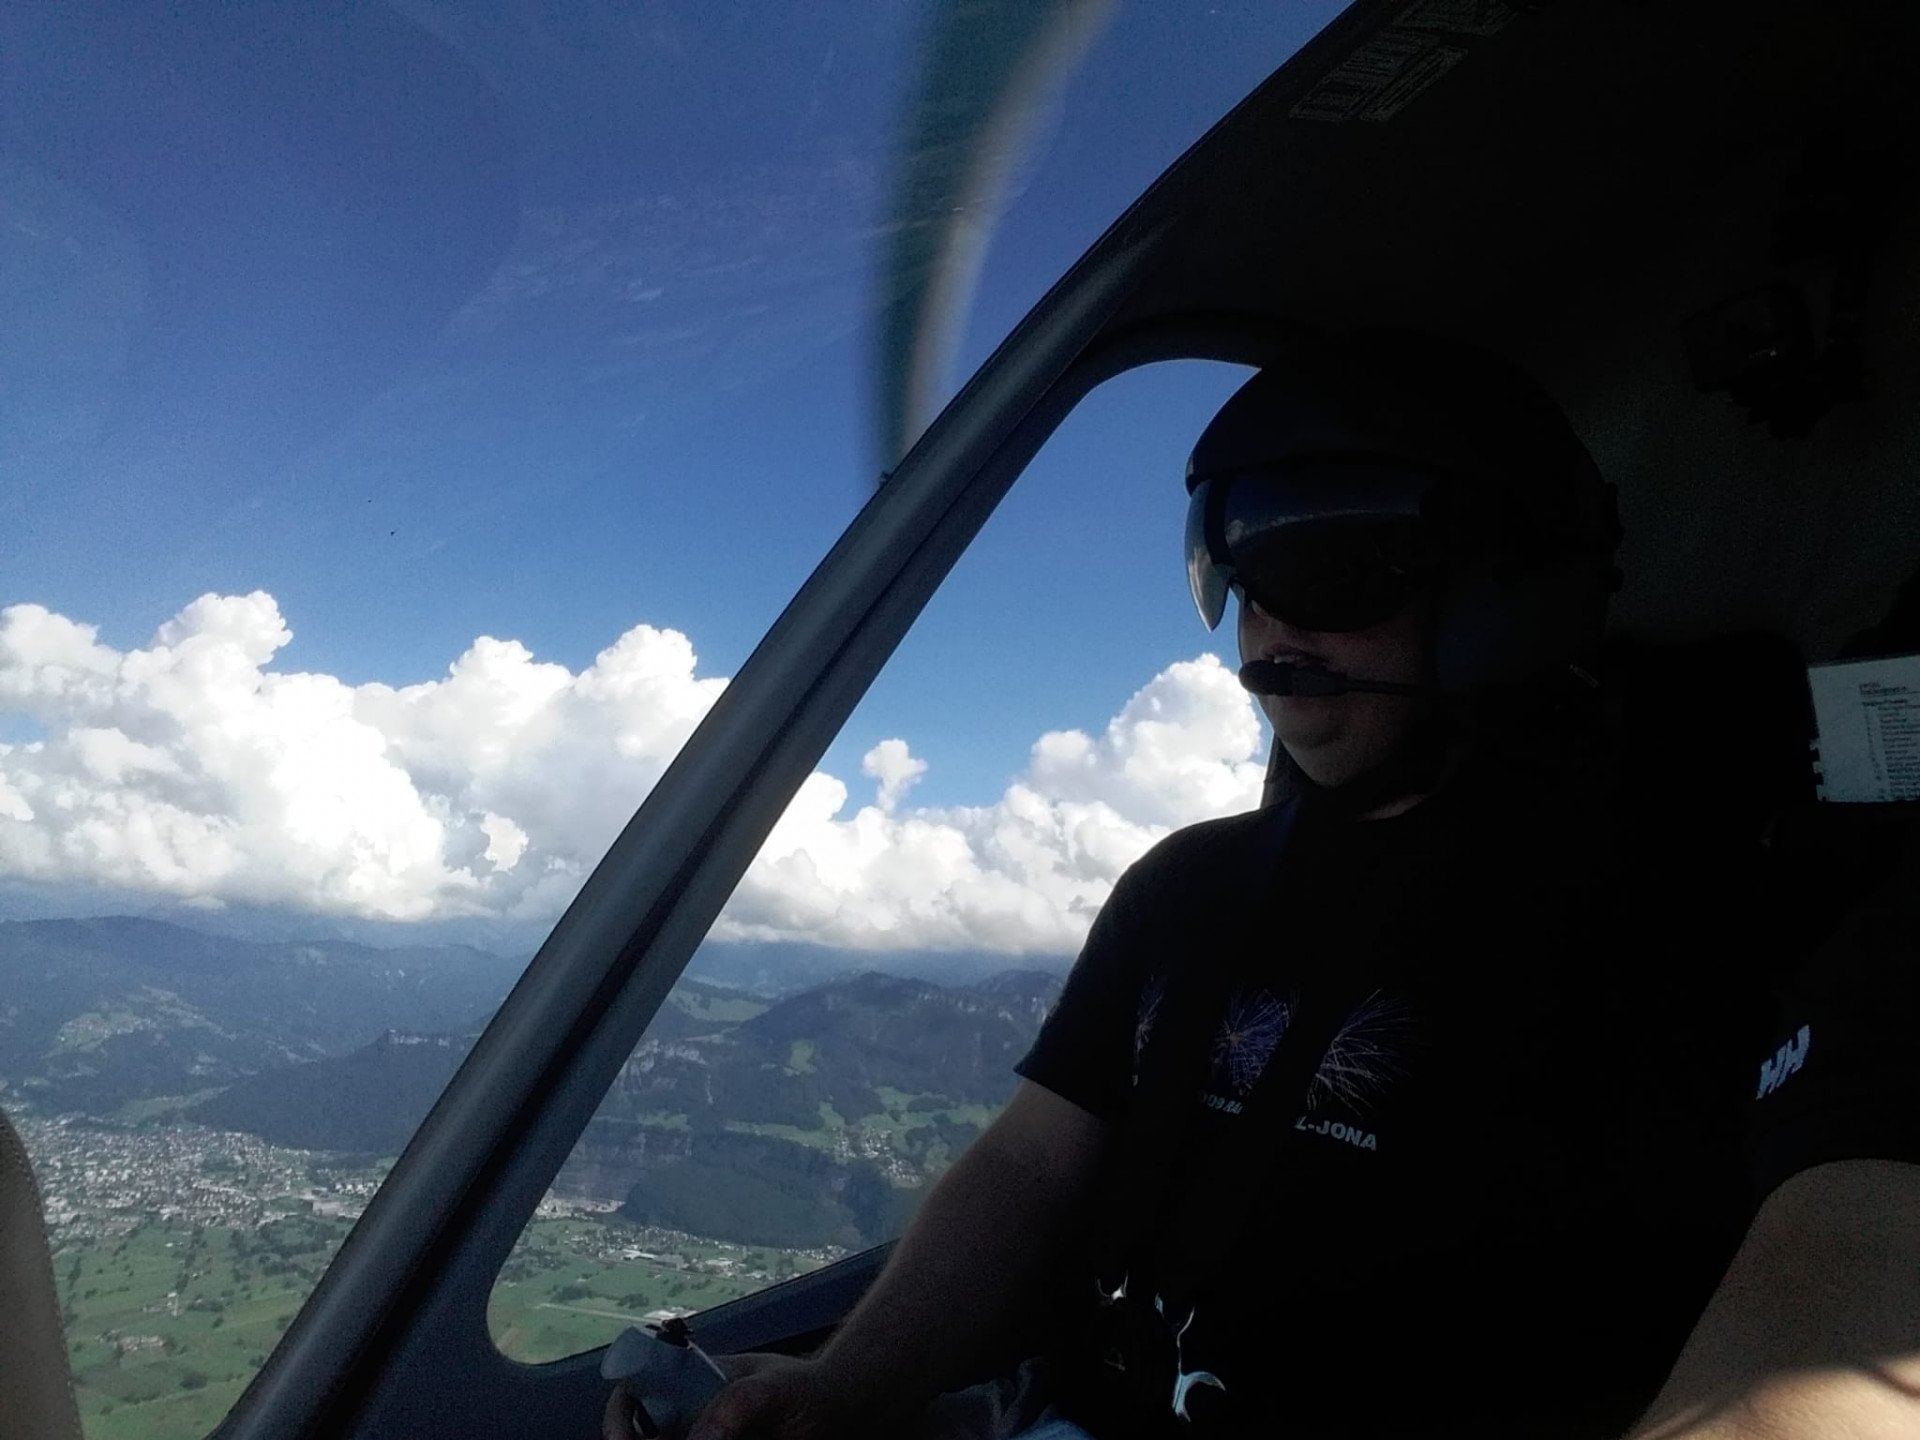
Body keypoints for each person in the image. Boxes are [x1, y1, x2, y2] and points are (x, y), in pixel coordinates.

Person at [607, 332, 1920, 1440]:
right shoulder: (1188, 886)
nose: (1273, 637)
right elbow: (1029, 1170)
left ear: (1502, 589)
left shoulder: (1683, 919)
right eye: (1245, 580)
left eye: (1333, 576)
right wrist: (847, 1383)